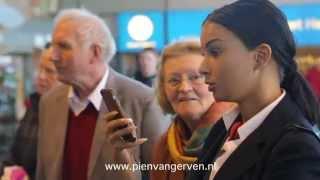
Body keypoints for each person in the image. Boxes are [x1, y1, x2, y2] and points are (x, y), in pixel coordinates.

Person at [187, 0, 320, 180]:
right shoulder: (223, 127)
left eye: (215, 52)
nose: (202, 68)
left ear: (260, 57)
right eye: (204, 54)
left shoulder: (296, 149)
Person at [36, 9, 168, 180]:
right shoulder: (49, 102)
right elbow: (43, 171)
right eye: (53, 46)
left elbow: (161, 173)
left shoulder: (142, 101)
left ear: (95, 52)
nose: (53, 56)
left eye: (63, 46)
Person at [149, 39, 235, 180]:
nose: (184, 88)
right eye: (174, 80)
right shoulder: (165, 145)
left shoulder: (236, 134)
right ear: (163, 89)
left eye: (196, 77)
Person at [1, 44, 60, 180]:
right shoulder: (34, 105)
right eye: (39, 68)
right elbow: (15, 154)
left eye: (49, 71)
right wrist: (7, 171)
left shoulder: (72, 114)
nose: (41, 76)